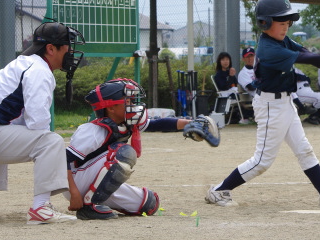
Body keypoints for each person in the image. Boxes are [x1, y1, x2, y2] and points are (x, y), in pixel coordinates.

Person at [205, 0, 320, 209]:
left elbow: (305, 51)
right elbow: (309, 58)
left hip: (285, 103)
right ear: (265, 22)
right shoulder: (269, 49)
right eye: (281, 23)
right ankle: (219, 191)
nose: (285, 27)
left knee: (304, 150)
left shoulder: (281, 40)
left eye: (287, 23)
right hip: (271, 106)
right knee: (262, 161)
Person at [0, 21, 85, 225]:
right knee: (51, 141)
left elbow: (20, 120)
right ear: (51, 49)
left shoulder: (22, 63)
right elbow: (38, 122)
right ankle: (41, 207)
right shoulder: (39, 70)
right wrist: (47, 150)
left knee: (5, 132)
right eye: (67, 46)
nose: (71, 52)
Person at [66, 78, 218, 220]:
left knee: (149, 203)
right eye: (128, 101)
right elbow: (64, 161)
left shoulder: (126, 122)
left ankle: (95, 198)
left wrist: (189, 123)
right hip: (76, 181)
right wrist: (74, 193)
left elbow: (157, 124)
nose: (133, 105)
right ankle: (89, 205)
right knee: (123, 152)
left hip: (94, 182)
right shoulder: (92, 131)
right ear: (111, 107)